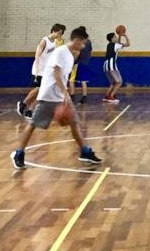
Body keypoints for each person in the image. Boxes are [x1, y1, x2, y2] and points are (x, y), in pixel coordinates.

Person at [11, 26, 103, 169]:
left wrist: (63, 94)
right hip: (48, 95)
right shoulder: (61, 52)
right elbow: (56, 73)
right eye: (83, 43)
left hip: (60, 96)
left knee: (74, 123)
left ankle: (84, 152)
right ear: (77, 40)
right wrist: (65, 92)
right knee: (33, 125)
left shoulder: (70, 55)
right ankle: (19, 153)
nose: (84, 46)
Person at [19, 23, 65, 118]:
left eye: (61, 34)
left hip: (47, 72)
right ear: (53, 31)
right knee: (39, 90)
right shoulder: (44, 41)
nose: (59, 36)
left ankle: (30, 110)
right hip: (39, 71)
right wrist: (36, 72)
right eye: (59, 33)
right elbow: (37, 56)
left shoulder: (55, 43)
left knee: (42, 93)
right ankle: (23, 105)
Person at [102, 29, 130, 104]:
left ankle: (107, 96)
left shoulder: (109, 45)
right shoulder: (116, 45)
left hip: (105, 66)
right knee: (119, 81)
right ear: (112, 39)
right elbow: (128, 44)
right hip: (111, 66)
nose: (116, 37)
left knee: (114, 83)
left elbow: (118, 43)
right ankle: (111, 96)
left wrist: (120, 36)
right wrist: (125, 36)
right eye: (115, 36)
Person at [74, 29, 94, 105]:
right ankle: (84, 97)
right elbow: (91, 53)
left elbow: (77, 53)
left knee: (82, 81)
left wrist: (73, 61)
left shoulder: (80, 42)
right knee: (84, 81)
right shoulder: (89, 41)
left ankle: (84, 97)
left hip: (81, 63)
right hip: (87, 62)